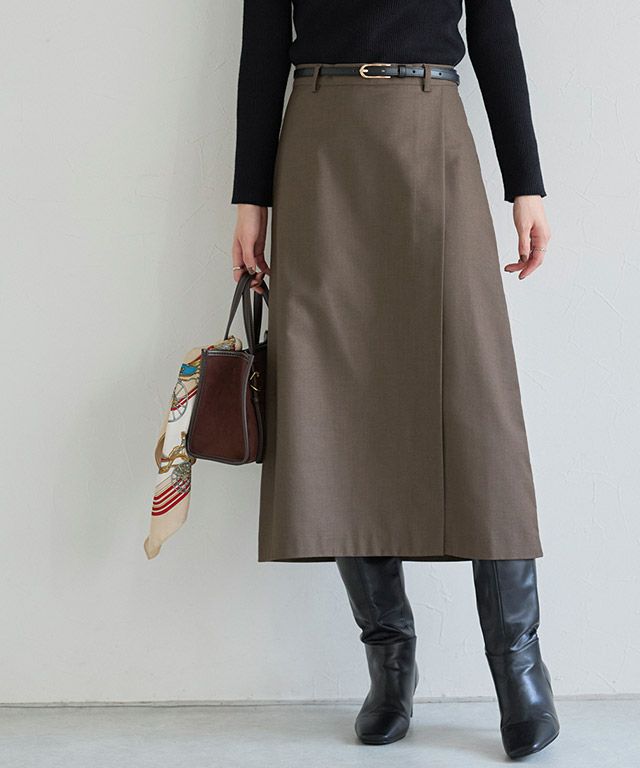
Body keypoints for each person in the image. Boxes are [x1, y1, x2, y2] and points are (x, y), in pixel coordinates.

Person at [229, 0, 559, 759]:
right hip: (320, 145)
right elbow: (261, 49)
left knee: (478, 402)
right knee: (336, 398)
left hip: (431, 126)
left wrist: (527, 184)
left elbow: (495, 34)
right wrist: (250, 198)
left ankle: (518, 665)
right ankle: (389, 663)